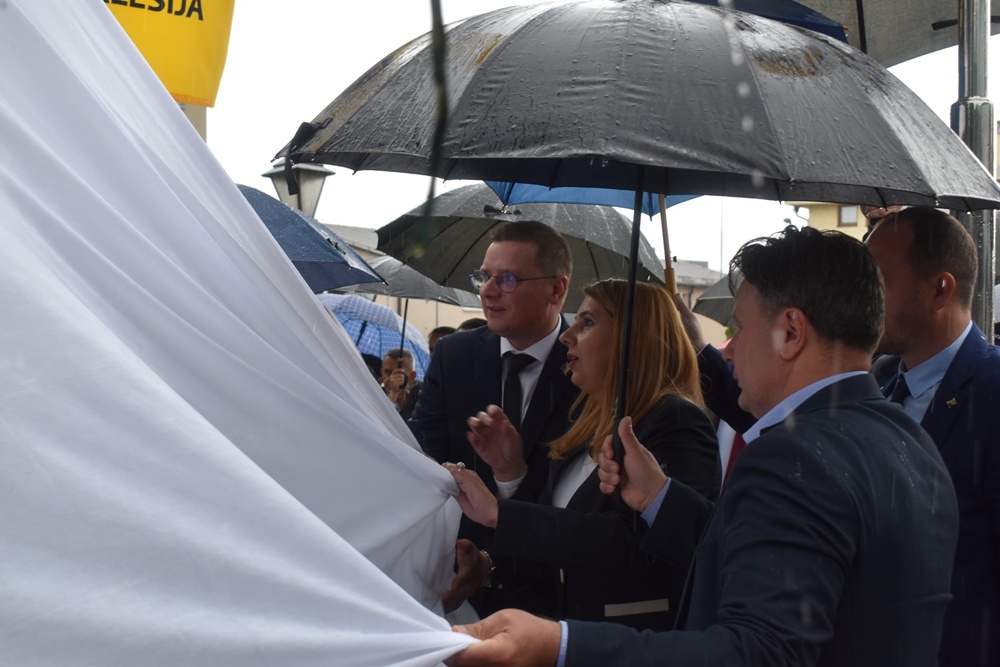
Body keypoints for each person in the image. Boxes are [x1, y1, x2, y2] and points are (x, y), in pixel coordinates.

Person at [447, 226, 959, 667]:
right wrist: (659, 498)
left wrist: (561, 645)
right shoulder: (910, 439)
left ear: (790, 332)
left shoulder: (794, 458)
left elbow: (756, 653)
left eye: (741, 326)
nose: (729, 351)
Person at [446, 280, 719, 630]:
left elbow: (640, 546)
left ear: (634, 338)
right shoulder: (582, 425)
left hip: (628, 644)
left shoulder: (676, 421)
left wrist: (499, 513)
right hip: (562, 638)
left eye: (587, 322)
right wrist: (511, 473)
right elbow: (554, 540)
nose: (566, 336)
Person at [409, 220, 581, 612]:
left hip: (553, 597)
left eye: (507, 279)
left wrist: (511, 479)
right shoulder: (454, 355)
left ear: (557, 289)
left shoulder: (588, 367)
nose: (487, 291)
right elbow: (423, 457)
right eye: (484, 276)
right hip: (456, 579)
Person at [865, 208, 1000, 667]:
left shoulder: (993, 393)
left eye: (879, 281)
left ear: (940, 289)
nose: (864, 298)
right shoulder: (882, 384)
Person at [380, 348, 421, 420]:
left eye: (399, 374)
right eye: (388, 372)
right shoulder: (374, 396)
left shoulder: (418, 404)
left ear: (412, 376)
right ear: (382, 373)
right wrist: (393, 395)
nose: (392, 379)